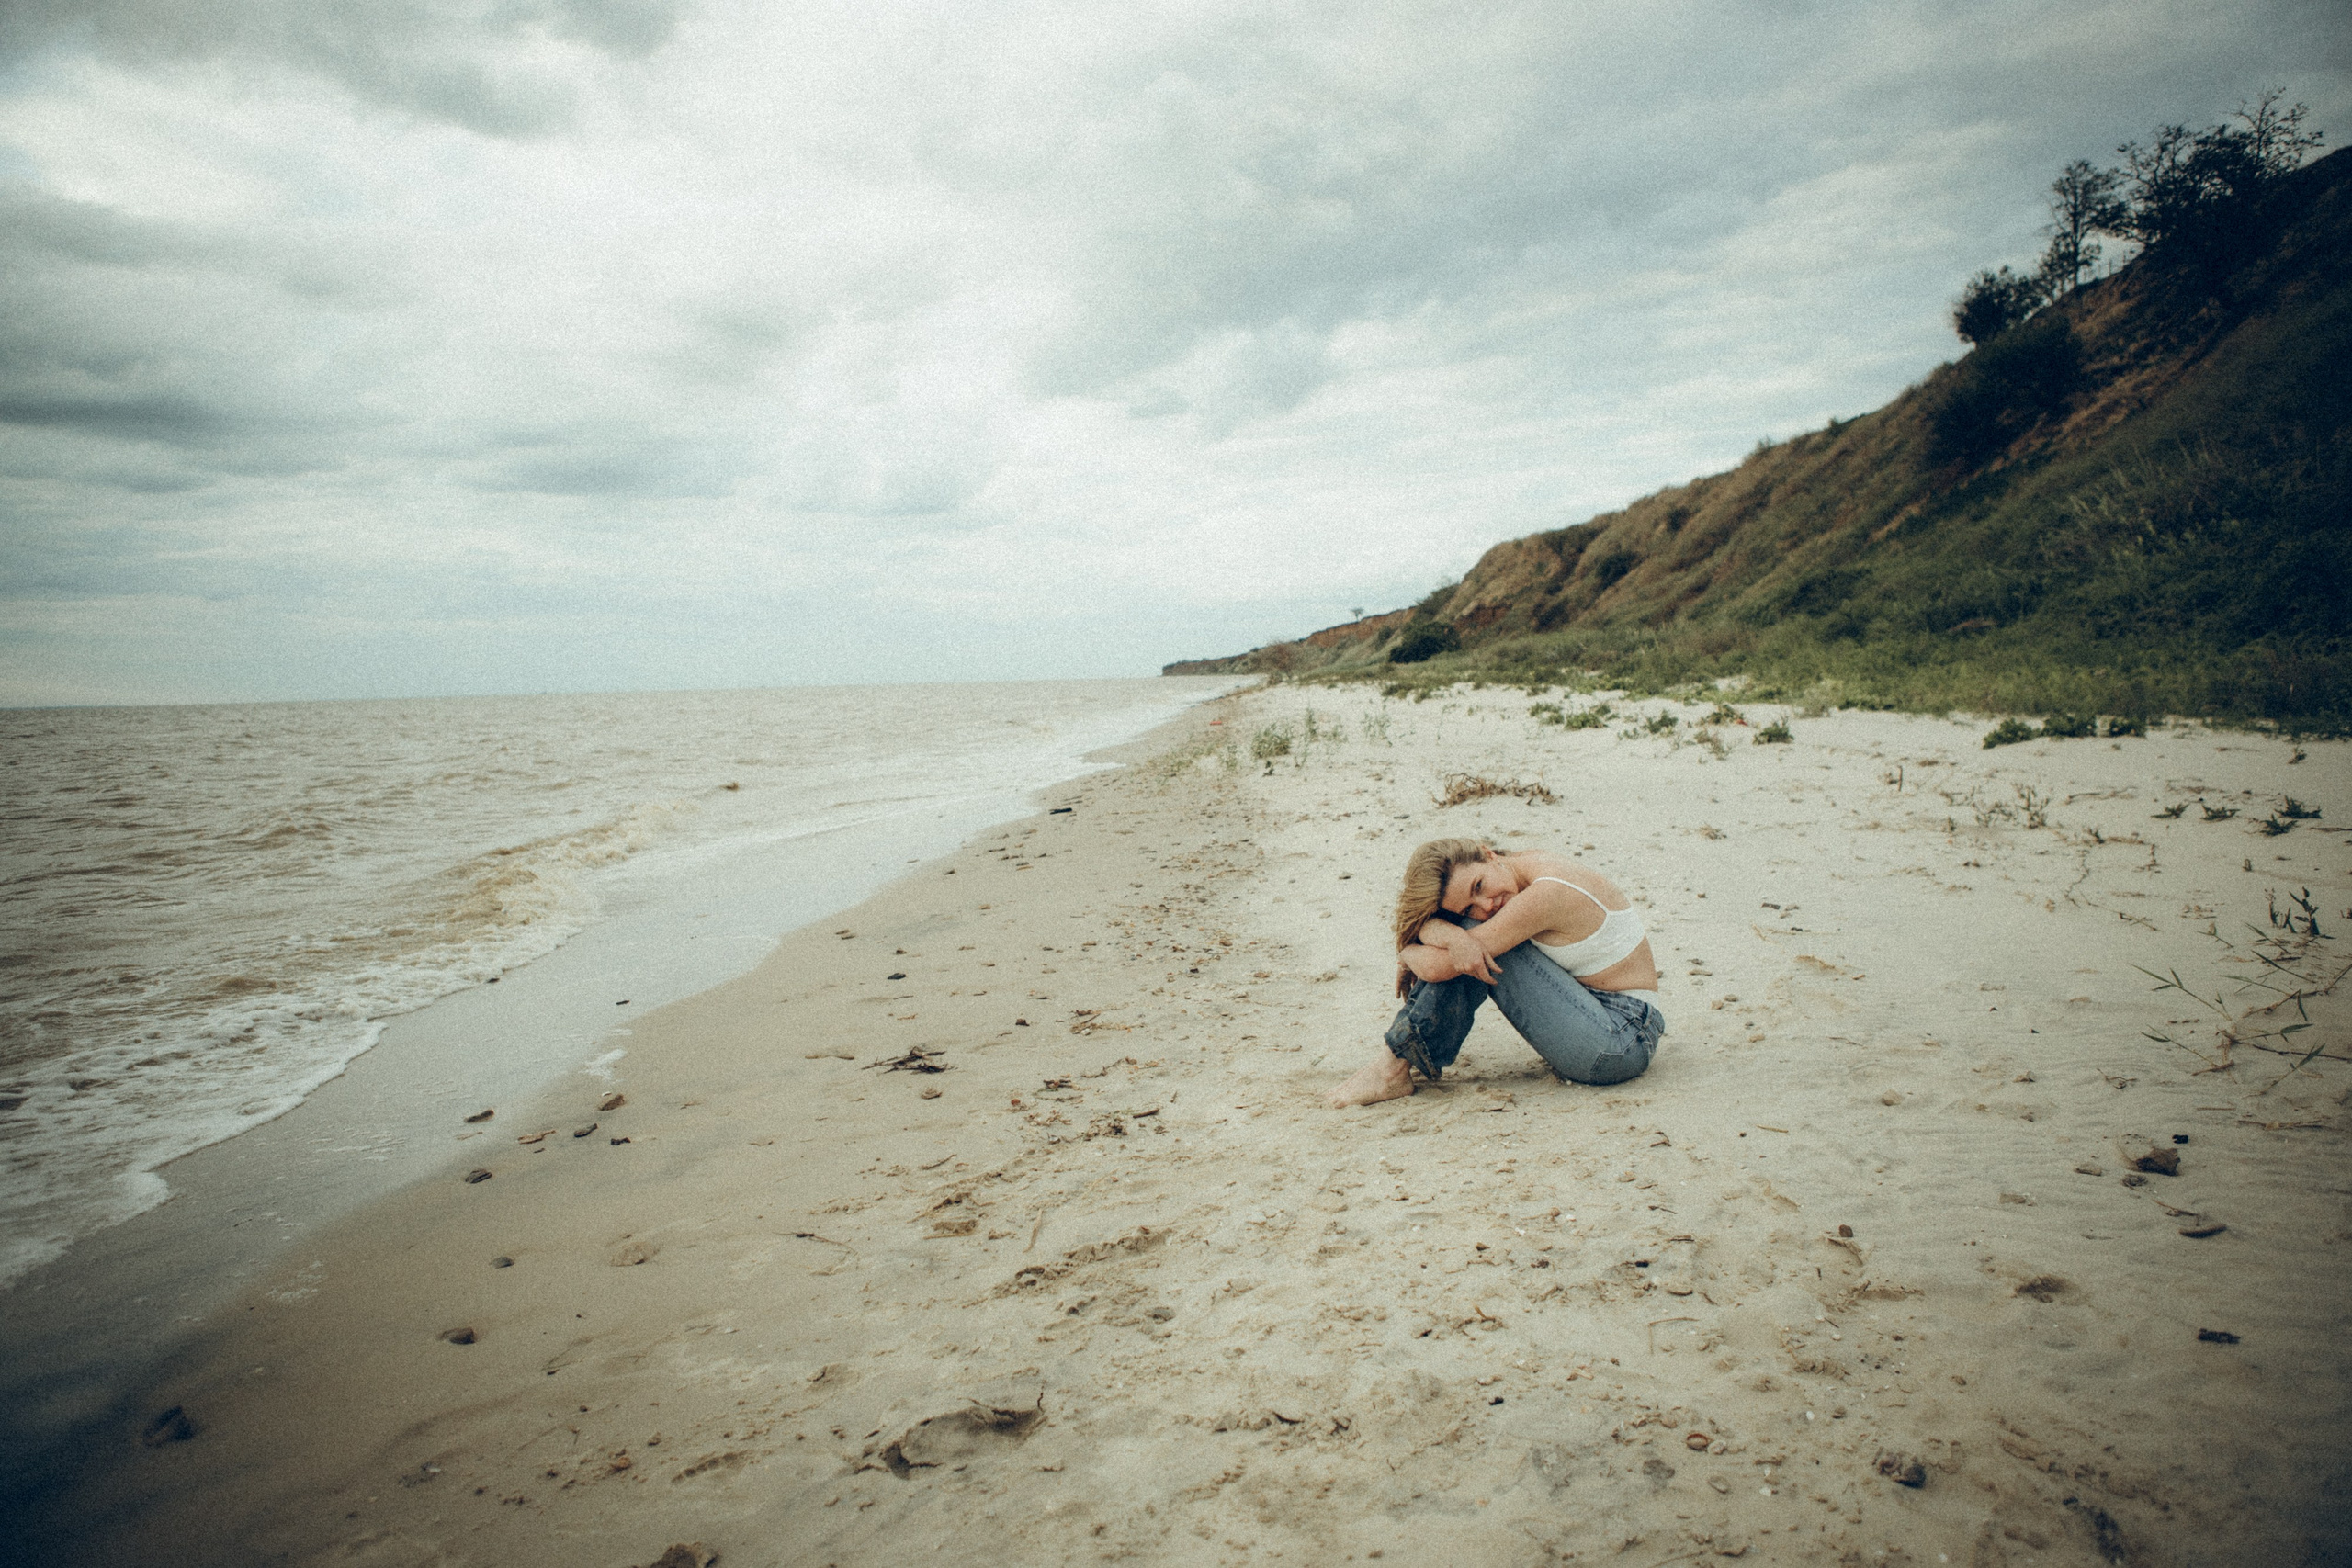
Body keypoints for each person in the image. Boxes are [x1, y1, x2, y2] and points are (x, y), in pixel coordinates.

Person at [1328, 837, 1664, 1107]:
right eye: (1470, 903)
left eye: (1478, 886)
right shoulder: (1522, 866)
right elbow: (1455, 934)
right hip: (1604, 1019)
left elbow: (1438, 967)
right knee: (1469, 937)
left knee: (1472, 946)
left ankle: (1392, 1068)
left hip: (1621, 1039)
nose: (1486, 904)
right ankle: (1395, 1064)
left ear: (1488, 854)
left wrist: (1408, 950)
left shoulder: (1546, 894)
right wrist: (1447, 932)